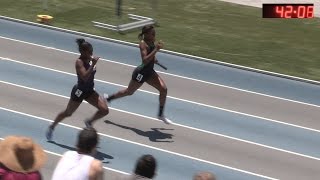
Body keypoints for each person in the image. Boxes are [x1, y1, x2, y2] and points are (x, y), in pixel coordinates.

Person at [106, 25, 172, 124]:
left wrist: (154, 59)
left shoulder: (152, 41)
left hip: (150, 72)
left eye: (154, 32)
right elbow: (144, 61)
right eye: (152, 33)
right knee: (129, 92)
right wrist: (156, 50)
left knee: (164, 89)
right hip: (141, 73)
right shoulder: (143, 44)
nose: (154, 34)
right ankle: (109, 98)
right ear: (146, 34)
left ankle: (160, 114)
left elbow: (150, 56)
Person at [46, 38, 109, 141]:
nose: (92, 53)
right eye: (89, 51)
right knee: (68, 113)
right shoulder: (79, 62)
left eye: (92, 51)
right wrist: (93, 64)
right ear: (83, 52)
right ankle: (52, 126)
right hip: (79, 91)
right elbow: (84, 77)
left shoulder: (90, 59)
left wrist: (92, 63)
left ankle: (89, 122)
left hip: (89, 91)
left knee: (104, 110)